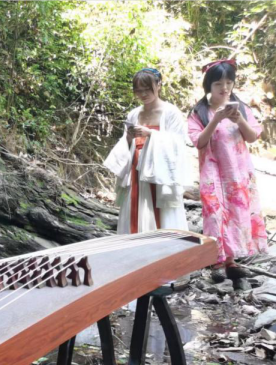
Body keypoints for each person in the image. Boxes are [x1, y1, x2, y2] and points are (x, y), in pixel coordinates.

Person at [187, 59, 267, 283]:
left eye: (229, 82)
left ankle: (230, 261)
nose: (224, 88)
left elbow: (252, 137)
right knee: (214, 214)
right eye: (218, 83)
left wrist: (239, 119)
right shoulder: (199, 112)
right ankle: (216, 262)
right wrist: (216, 120)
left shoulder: (242, 108)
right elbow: (199, 142)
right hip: (212, 171)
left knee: (236, 213)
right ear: (208, 85)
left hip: (237, 171)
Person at [104, 68, 189, 235]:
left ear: (158, 85)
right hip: (136, 171)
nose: (143, 94)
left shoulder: (171, 113)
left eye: (147, 89)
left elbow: (178, 144)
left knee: (161, 215)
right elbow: (126, 144)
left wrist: (150, 134)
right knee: (135, 209)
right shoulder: (133, 114)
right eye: (138, 90)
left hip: (160, 174)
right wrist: (129, 138)